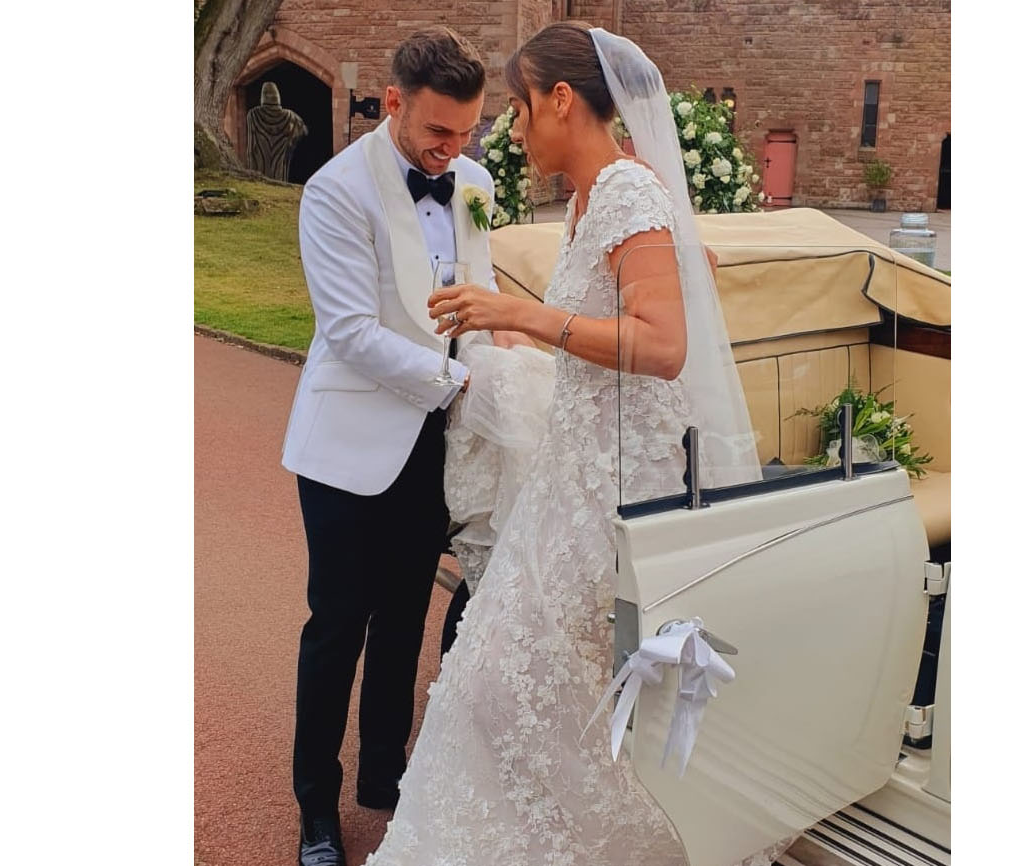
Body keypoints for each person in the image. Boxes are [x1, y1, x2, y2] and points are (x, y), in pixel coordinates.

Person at [360, 21, 784, 866]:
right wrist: (501, 340)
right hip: (571, 476)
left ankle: (614, 840)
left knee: (527, 677)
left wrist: (523, 315)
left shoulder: (629, 191)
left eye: (518, 108)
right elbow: (591, 337)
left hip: (622, 487)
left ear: (561, 99)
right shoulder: (589, 198)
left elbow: (662, 348)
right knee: (515, 678)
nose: (512, 130)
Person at [279, 26, 526, 866]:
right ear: (393, 105)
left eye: (465, 134)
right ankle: (315, 805)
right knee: (337, 625)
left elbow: (479, 299)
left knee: (402, 624)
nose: (450, 151)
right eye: (436, 134)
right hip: (349, 448)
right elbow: (348, 331)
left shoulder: (475, 182)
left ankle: (384, 782)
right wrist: (457, 384)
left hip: (438, 444)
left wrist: (492, 377)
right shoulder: (335, 189)